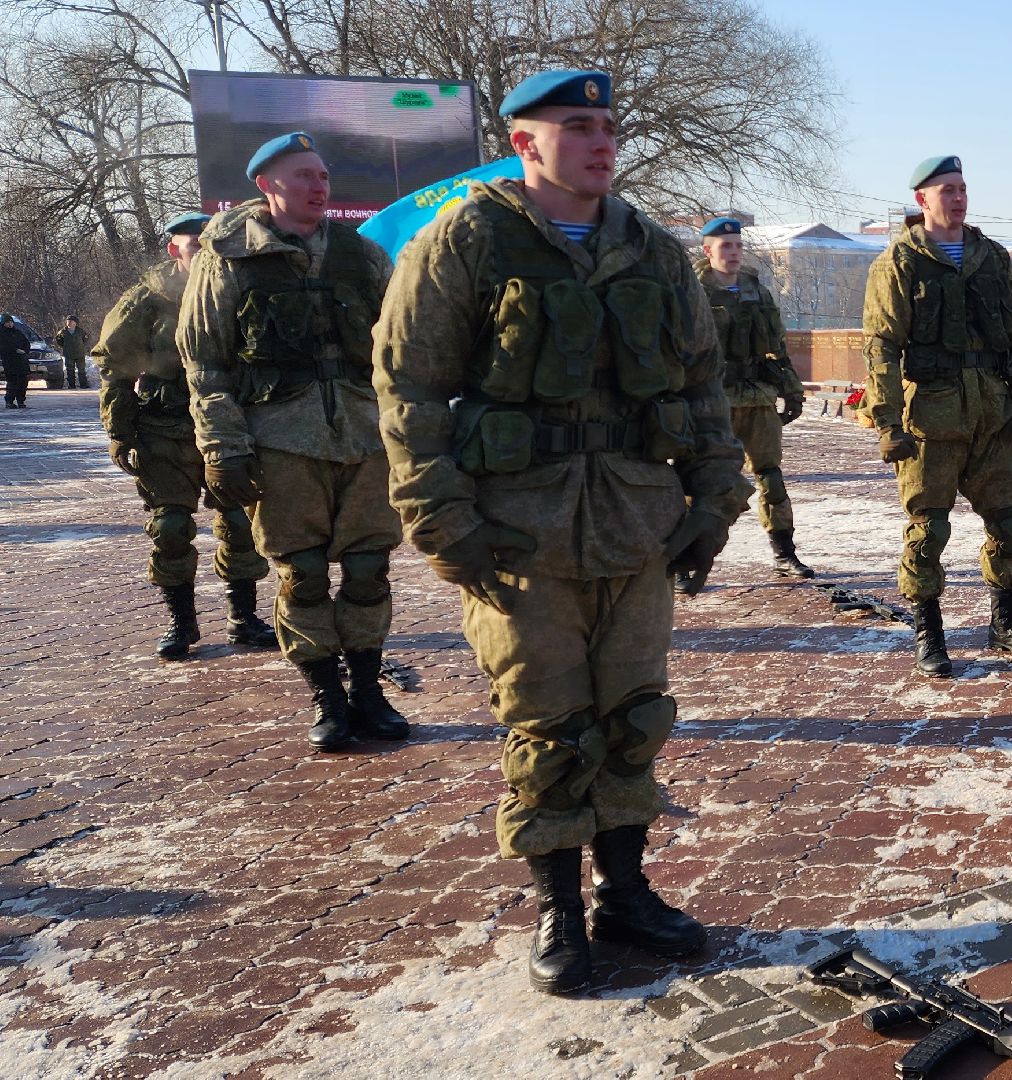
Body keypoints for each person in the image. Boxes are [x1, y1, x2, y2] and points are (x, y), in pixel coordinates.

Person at [375, 69, 748, 995]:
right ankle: (558, 907)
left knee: (634, 718)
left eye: (609, 127)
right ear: (523, 142)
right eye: (577, 126)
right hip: (516, 528)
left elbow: (701, 384)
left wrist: (714, 497)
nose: (601, 142)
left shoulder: (654, 251)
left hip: (636, 520)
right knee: (546, 724)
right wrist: (441, 519)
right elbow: (409, 387)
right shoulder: (466, 239)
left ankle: (625, 891)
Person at [180, 131, 407, 753]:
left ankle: (368, 691)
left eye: (323, 176)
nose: (319, 186)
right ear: (266, 185)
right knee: (301, 574)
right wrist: (222, 445)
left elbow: (402, 351)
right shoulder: (227, 256)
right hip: (278, 440)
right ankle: (327, 699)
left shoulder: (362, 256)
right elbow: (204, 362)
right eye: (304, 175)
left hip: (364, 437)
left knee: (368, 569)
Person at [860, 155, 1012, 677]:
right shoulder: (899, 262)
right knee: (929, 531)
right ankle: (930, 633)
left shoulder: (991, 257)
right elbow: (881, 347)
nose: (958, 197)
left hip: (991, 415)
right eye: (947, 189)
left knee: (1010, 525)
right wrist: (888, 421)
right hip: (931, 417)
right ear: (922, 200)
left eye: (962, 187)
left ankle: (1004, 623)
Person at [94, 212, 272, 659]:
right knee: (171, 527)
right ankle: (182, 622)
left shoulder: (236, 291)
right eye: (195, 247)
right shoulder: (146, 300)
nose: (204, 255)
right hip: (163, 431)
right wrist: (120, 432)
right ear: (174, 249)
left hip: (226, 429)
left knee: (239, 525)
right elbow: (115, 370)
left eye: (211, 246)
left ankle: (244, 618)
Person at [695, 216, 813, 578]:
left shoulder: (756, 291)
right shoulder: (692, 291)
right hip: (714, 402)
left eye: (738, 246)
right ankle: (689, 555)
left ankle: (784, 552)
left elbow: (777, 346)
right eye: (725, 246)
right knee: (705, 481)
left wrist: (792, 389)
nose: (733, 253)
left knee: (771, 477)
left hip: (758, 398)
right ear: (708, 250)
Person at [0, 316, 30, 408]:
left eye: (11, 322)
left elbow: (26, 343)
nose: (10, 324)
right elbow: (3, 347)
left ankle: (21, 400)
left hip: (22, 361)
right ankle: (9, 401)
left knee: (23, 382)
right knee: (13, 382)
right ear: (3, 323)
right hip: (10, 361)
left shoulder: (18, 332)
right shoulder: (2, 334)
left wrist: (25, 351)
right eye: (7, 322)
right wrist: (15, 350)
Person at [54, 315, 90, 390]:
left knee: (81, 370)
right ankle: (71, 385)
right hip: (68, 354)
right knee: (70, 370)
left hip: (79, 353)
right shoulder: (62, 332)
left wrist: (81, 347)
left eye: (71, 321)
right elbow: (59, 340)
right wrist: (66, 346)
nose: (69, 322)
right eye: (68, 321)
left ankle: (83, 384)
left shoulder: (80, 331)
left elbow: (85, 340)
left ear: (75, 323)